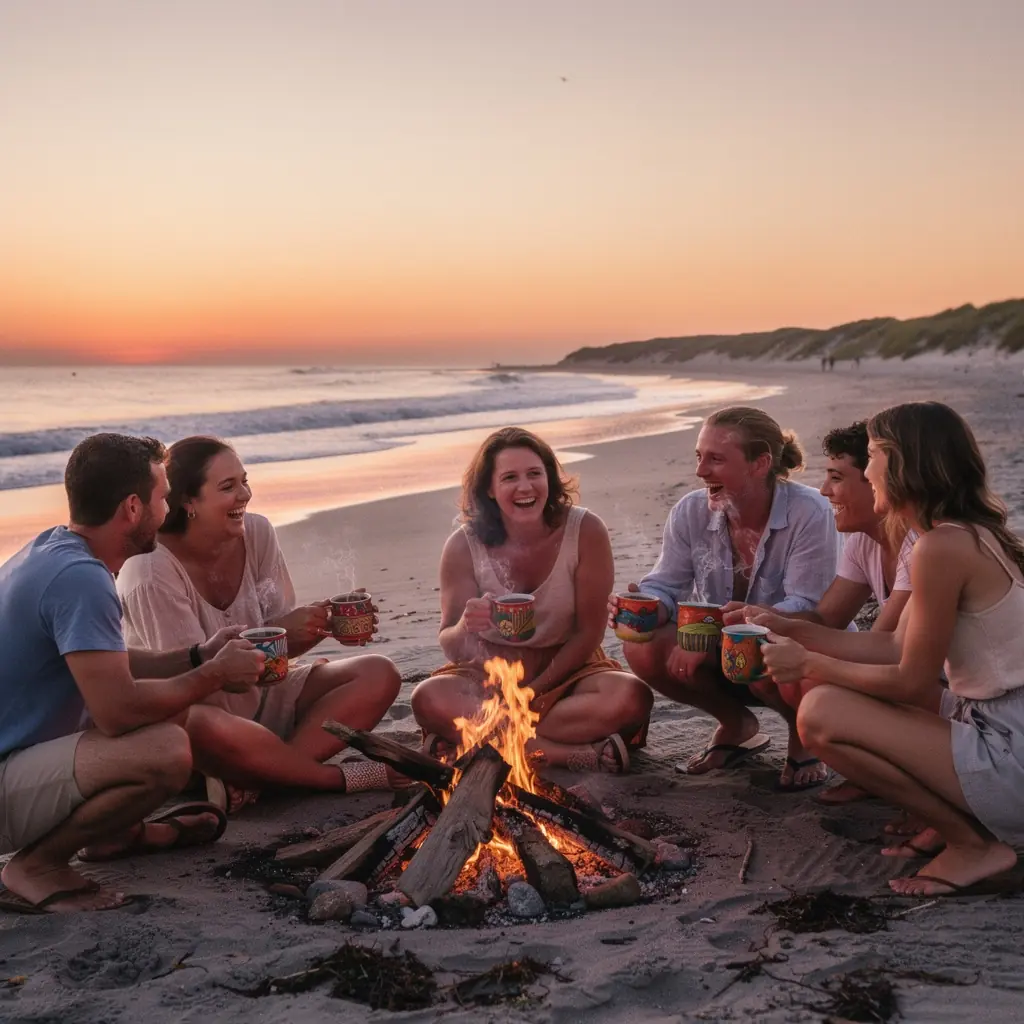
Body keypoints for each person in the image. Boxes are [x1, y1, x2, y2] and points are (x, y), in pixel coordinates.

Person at [764, 402, 1024, 896]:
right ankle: (968, 831)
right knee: (826, 700)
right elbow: (893, 645)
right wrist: (789, 629)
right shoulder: (962, 534)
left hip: (1010, 747)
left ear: (906, 463)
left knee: (820, 713)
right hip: (1000, 721)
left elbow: (909, 679)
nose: (868, 470)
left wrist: (809, 663)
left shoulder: (940, 548)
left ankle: (970, 845)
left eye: (875, 454)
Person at [0, 434, 264, 913]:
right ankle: (35, 867)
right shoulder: (80, 579)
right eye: (162, 498)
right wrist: (214, 676)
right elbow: (118, 712)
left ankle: (114, 836)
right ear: (132, 507)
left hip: (20, 760)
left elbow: (109, 661)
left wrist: (199, 656)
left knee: (169, 712)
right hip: (6, 780)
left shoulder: (56, 551)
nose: (167, 510)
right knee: (164, 750)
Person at [117, 436, 403, 813]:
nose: (245, 495)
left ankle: (265, 776)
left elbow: (276, 656)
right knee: (201, 723)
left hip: (265, 698)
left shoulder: (257, 533)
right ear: (188, 501)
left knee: (378, 673)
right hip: (203, 722)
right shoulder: (151, 570)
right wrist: (285, 634)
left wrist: (316, 628)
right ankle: (324, 777)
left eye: (245, 481)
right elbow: (192, 685)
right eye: (228, 487)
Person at [613, 407, 839, 789]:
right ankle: (737, 726)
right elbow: (665, 586)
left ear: (760, 463)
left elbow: (807, 608)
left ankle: (802, 737)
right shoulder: (690, 510)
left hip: (798, 655)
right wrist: (644, 607)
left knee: (757, 648)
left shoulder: (810, 511)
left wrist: (710, 630)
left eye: (716, 459)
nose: (701, 471)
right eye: (699, 457)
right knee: (641, 644)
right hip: (723, 653)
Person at [411, 427, 653, 773]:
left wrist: (530, 694)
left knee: (632, 697)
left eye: (534, 474)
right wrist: (465, 625)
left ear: (549, 480)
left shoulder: (585, 531)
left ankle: (476, 741)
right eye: (509, 477)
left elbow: (589, 633)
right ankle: (565, 753)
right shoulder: (464, 545)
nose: (525, 487)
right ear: (490, 489)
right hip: (489, 675)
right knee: (427, 698)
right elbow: (450, 643)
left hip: (568, 671)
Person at [723, 421, 916, 803]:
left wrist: (804, 655)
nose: (824, 490)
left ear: (879, 481)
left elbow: (884, 647)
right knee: (778, 665)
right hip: (910, 680)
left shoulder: (919, 546)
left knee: (810, 685)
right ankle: (871, 773)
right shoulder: (864, 541)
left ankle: (906, 784)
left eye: (836, 478)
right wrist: (767, 617)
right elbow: (827, 618)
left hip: (942, 694)